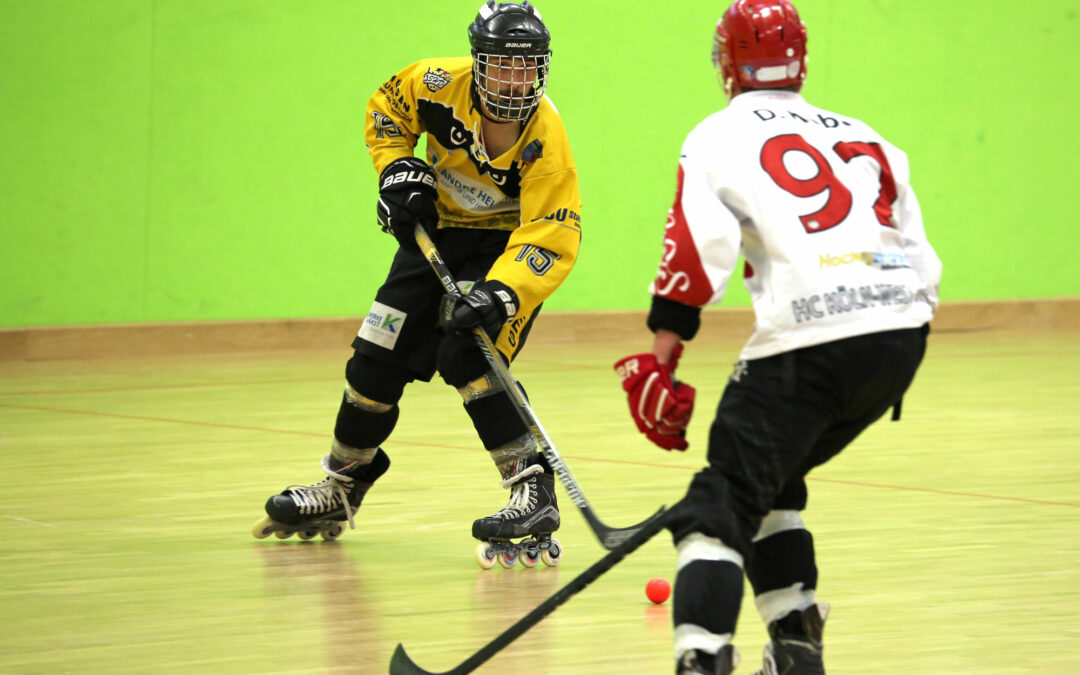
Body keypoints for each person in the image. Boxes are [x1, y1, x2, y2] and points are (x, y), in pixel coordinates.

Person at [613, 1, 942, 672]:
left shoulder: (716, 134)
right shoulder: (868, 135)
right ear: (801, 60)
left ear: (727, 63)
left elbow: (698, 249)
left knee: (719, 503)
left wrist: (661, 355)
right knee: (772, 483)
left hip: (811, 340)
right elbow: (922, 258)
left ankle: (701, 659)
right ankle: (797, 650)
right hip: (899, 338)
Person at [253, 0, 581, 568]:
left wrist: (498, 294)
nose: (513, 80)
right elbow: (387, 111)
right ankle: (342, 483)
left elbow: (553, 231)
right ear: (477, 62)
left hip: (504, 250)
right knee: (374, 361)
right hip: (438, 233)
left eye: (526, 67)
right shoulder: (432, 82)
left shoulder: (545, 137)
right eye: (501, 65)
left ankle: (532, 489)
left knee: (468, 355)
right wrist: (397, 172)